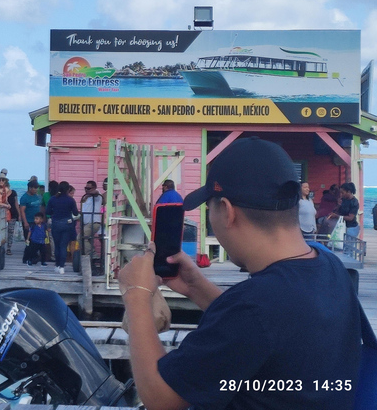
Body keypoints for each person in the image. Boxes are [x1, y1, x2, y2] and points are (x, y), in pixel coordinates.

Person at [117, 137, 360, 409]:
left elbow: (161, 399)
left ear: (227, 211)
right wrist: (197, 287)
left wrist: (136, 295)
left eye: (210, 209)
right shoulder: (332, 268)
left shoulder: (252, 305)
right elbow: (273, 333)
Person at [45, 181, 78, 275]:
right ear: (68, 190)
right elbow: (75, 213)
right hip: (67, 224)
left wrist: (55, 214)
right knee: (63, 246)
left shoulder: (53, 199)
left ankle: (57, 265)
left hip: (56, 223)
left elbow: (48, 211)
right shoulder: (70, 200)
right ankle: (62, 267)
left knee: (57, 245)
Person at [81, 180, 103, 258]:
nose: (86, 190)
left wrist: (90, 193)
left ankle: (92, 255)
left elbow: (96, 192)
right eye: (85, 188)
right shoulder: (86, 198)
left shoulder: (98, 196)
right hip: (86, 223)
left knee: (81, 237)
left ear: (94, 188)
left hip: (94, 222)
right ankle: (92, 255)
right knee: (88, 239)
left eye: (89, 188)